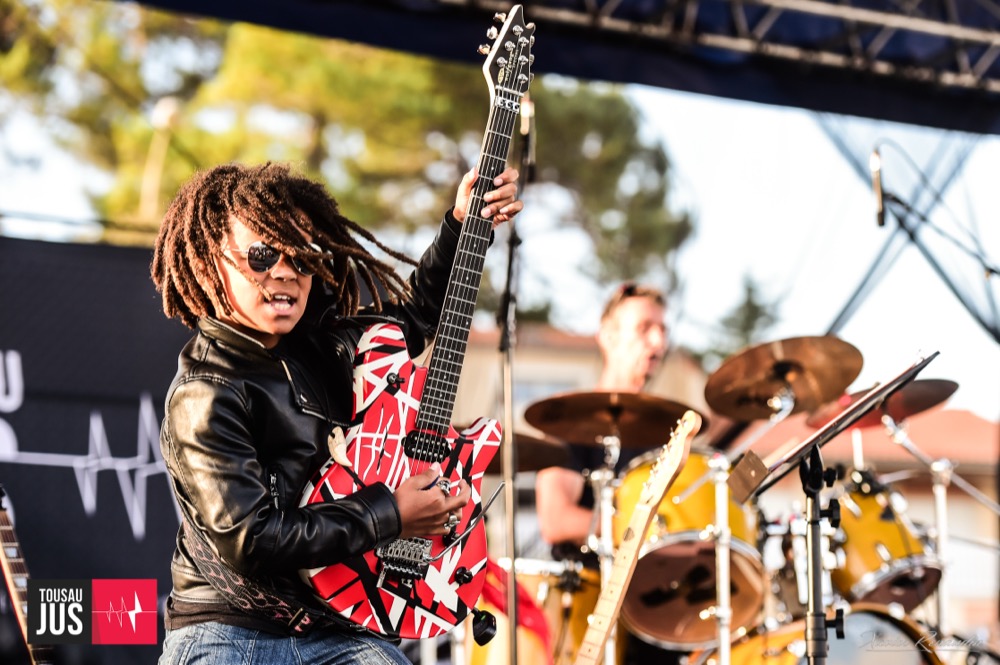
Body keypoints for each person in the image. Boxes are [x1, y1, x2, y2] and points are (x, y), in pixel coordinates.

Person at [151, 161, 522, 665]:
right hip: (229, 630)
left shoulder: (328, 345)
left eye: (302, 256)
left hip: (333, 630)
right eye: (262, 255)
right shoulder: (204, 392)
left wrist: (461, 223)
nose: (285, 271)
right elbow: (253, 539)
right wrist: (392, 514)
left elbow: (414, 315)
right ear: (209, 262)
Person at [534, 282, 684, 665]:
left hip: (656, 602)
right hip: (589, 602)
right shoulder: (570, 424)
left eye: (663, 330)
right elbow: (555, 519)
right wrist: (635, 530)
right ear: (608, 336)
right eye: (645, 327)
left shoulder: (667, 436)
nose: (658, 341)